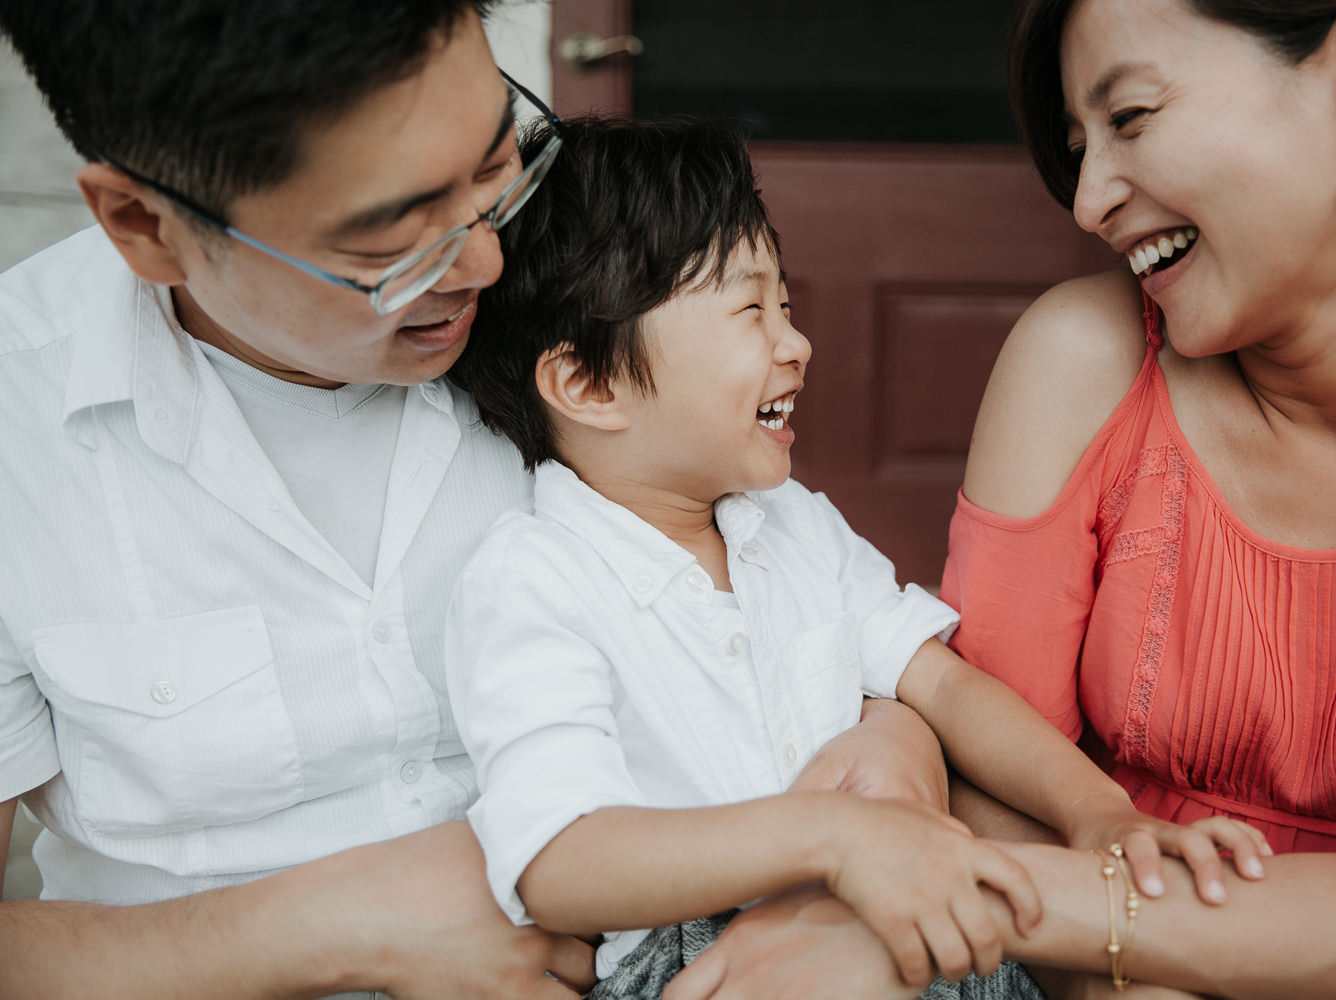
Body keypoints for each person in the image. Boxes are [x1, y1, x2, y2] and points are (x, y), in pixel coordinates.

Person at [0, 3, 1012, 997]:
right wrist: (328, 928)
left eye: (493, 168)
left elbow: (792, 598)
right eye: (393, 239)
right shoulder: (22, 421)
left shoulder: (569, 308)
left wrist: (892, 749)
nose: (483, 259)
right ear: (144, 225)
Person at [660, 1, 1336, 998]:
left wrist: (960, 899)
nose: (1090, 198)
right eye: (1077, 146)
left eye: (1133, 116)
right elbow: (991, 756)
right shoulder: (1083, 361)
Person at [444, 114, 1268, 1000]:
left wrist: (1098, 814)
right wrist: (831, 836)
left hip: (884, 901)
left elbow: (943, 686)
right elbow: (562, 863)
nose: (794, 343)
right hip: (700, 959)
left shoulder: (792, 526)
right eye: (749, 310)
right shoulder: (532, 578)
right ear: (591, 385)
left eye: (785, 305)